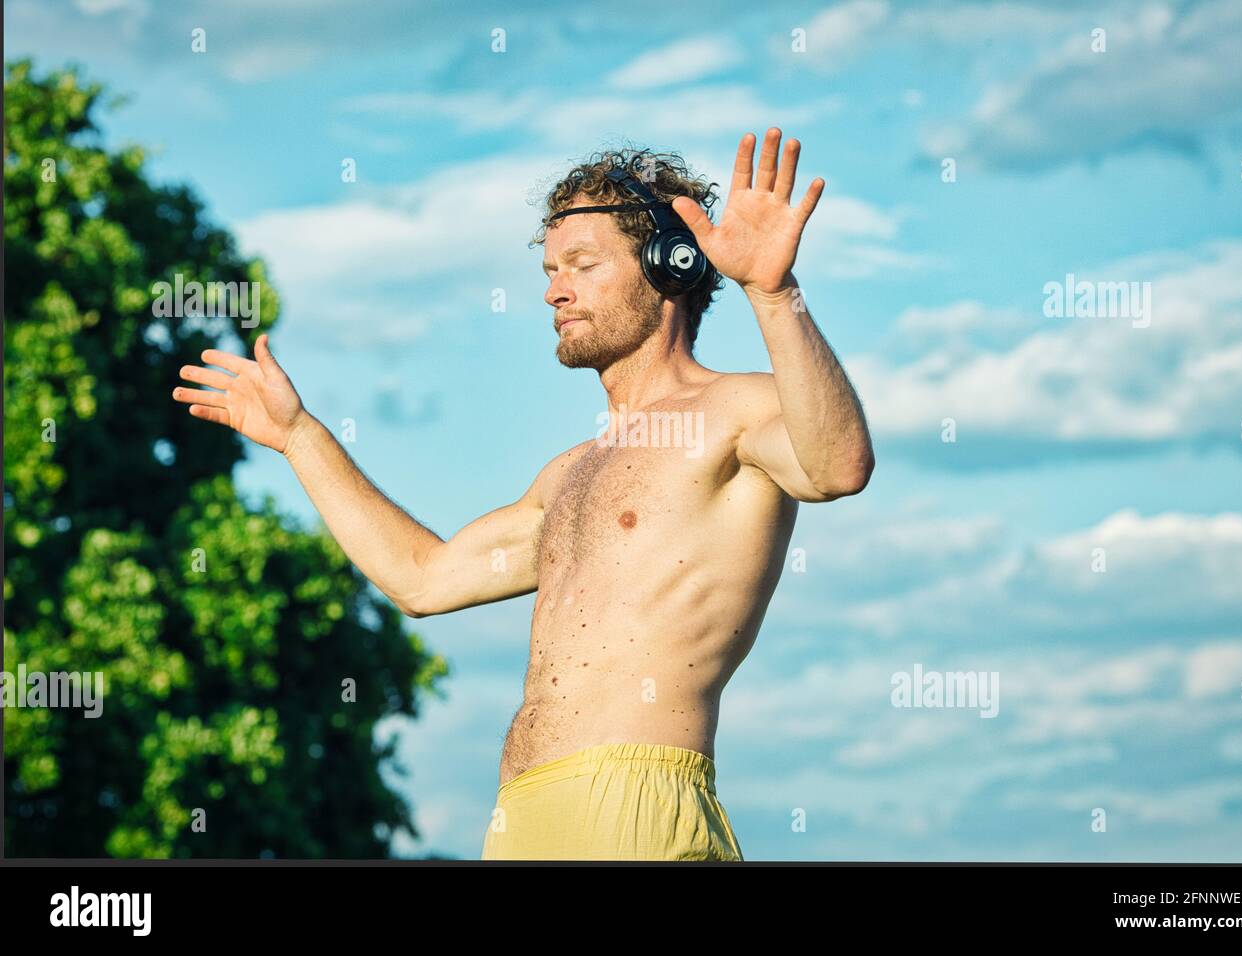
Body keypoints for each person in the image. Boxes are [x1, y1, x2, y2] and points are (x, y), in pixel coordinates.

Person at [172, 128, 874, 861]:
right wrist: (300, 437)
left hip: (636, 807)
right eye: (548, 269)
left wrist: (773, 292)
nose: (552, 289)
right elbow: (424, 579)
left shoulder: (738, 412)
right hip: (520, 819)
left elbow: (838, 466)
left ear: (670, 268)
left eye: (582, 264)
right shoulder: (568, 474)